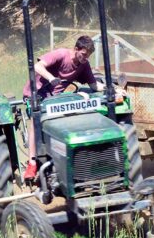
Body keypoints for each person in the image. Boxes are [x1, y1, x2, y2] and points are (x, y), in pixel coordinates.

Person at [22, 35, 104, 181]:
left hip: (57, 100)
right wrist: (51, 78)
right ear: (76, 49)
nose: (85, 58)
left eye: (88, 55)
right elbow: (37, 66)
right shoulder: (61, 54)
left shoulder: (84, 65)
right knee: (36, 121)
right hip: (37, 95)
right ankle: (32, 163)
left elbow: (94, 85)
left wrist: (113, 89)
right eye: (84, 54)